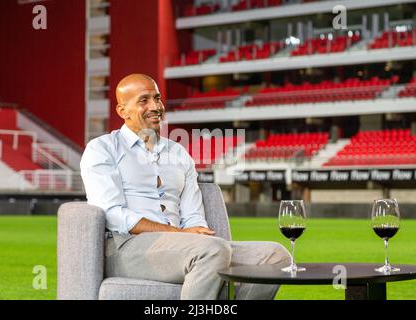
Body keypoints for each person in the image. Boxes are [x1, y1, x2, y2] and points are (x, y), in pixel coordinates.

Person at [80, 73, 292, 300]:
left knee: (275, 256)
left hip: (182, 246)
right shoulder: (102, 149)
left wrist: (195, 234)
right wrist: (180, 234)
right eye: (144, 100)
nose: (155, 106)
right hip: (126, 247)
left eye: (157, 98)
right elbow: (113, 214)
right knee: (212, 250)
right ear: (123, 111)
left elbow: (193, 216)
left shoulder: (178, 153)